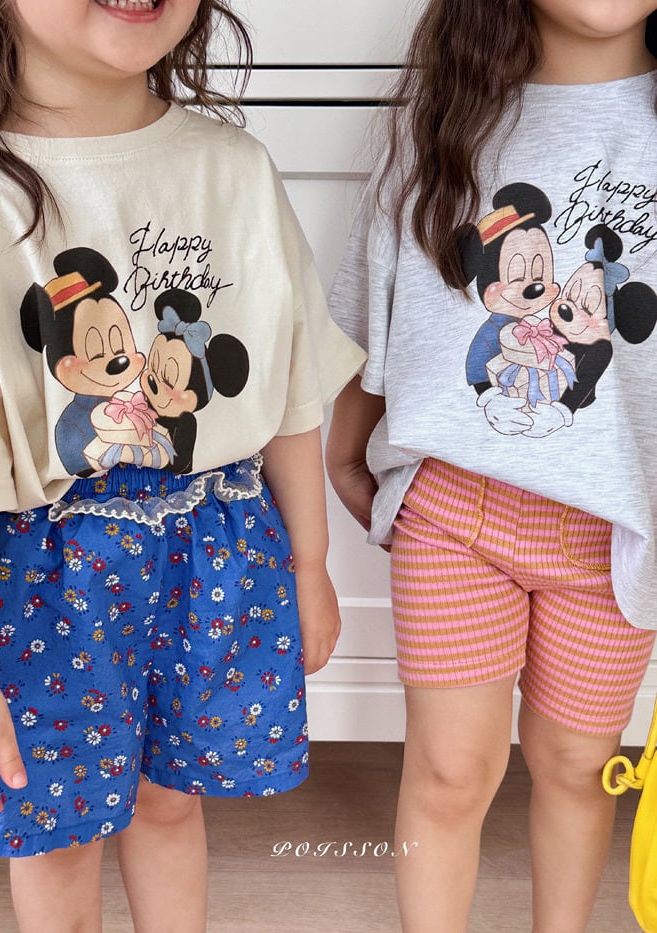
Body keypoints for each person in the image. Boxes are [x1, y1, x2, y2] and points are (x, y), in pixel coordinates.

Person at [0, 1, 366, 930]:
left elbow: (291, 386)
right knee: (56, 834)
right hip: (42, 576)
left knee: (172, 801)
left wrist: (310, 565)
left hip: (217, 550)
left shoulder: (235, 169)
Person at [326, 2, 657, 930]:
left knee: (578, 767)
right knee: (448, 769)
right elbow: (376, 298)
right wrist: (346, 442)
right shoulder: (445, 119)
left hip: (617, 530)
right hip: (454, 511)